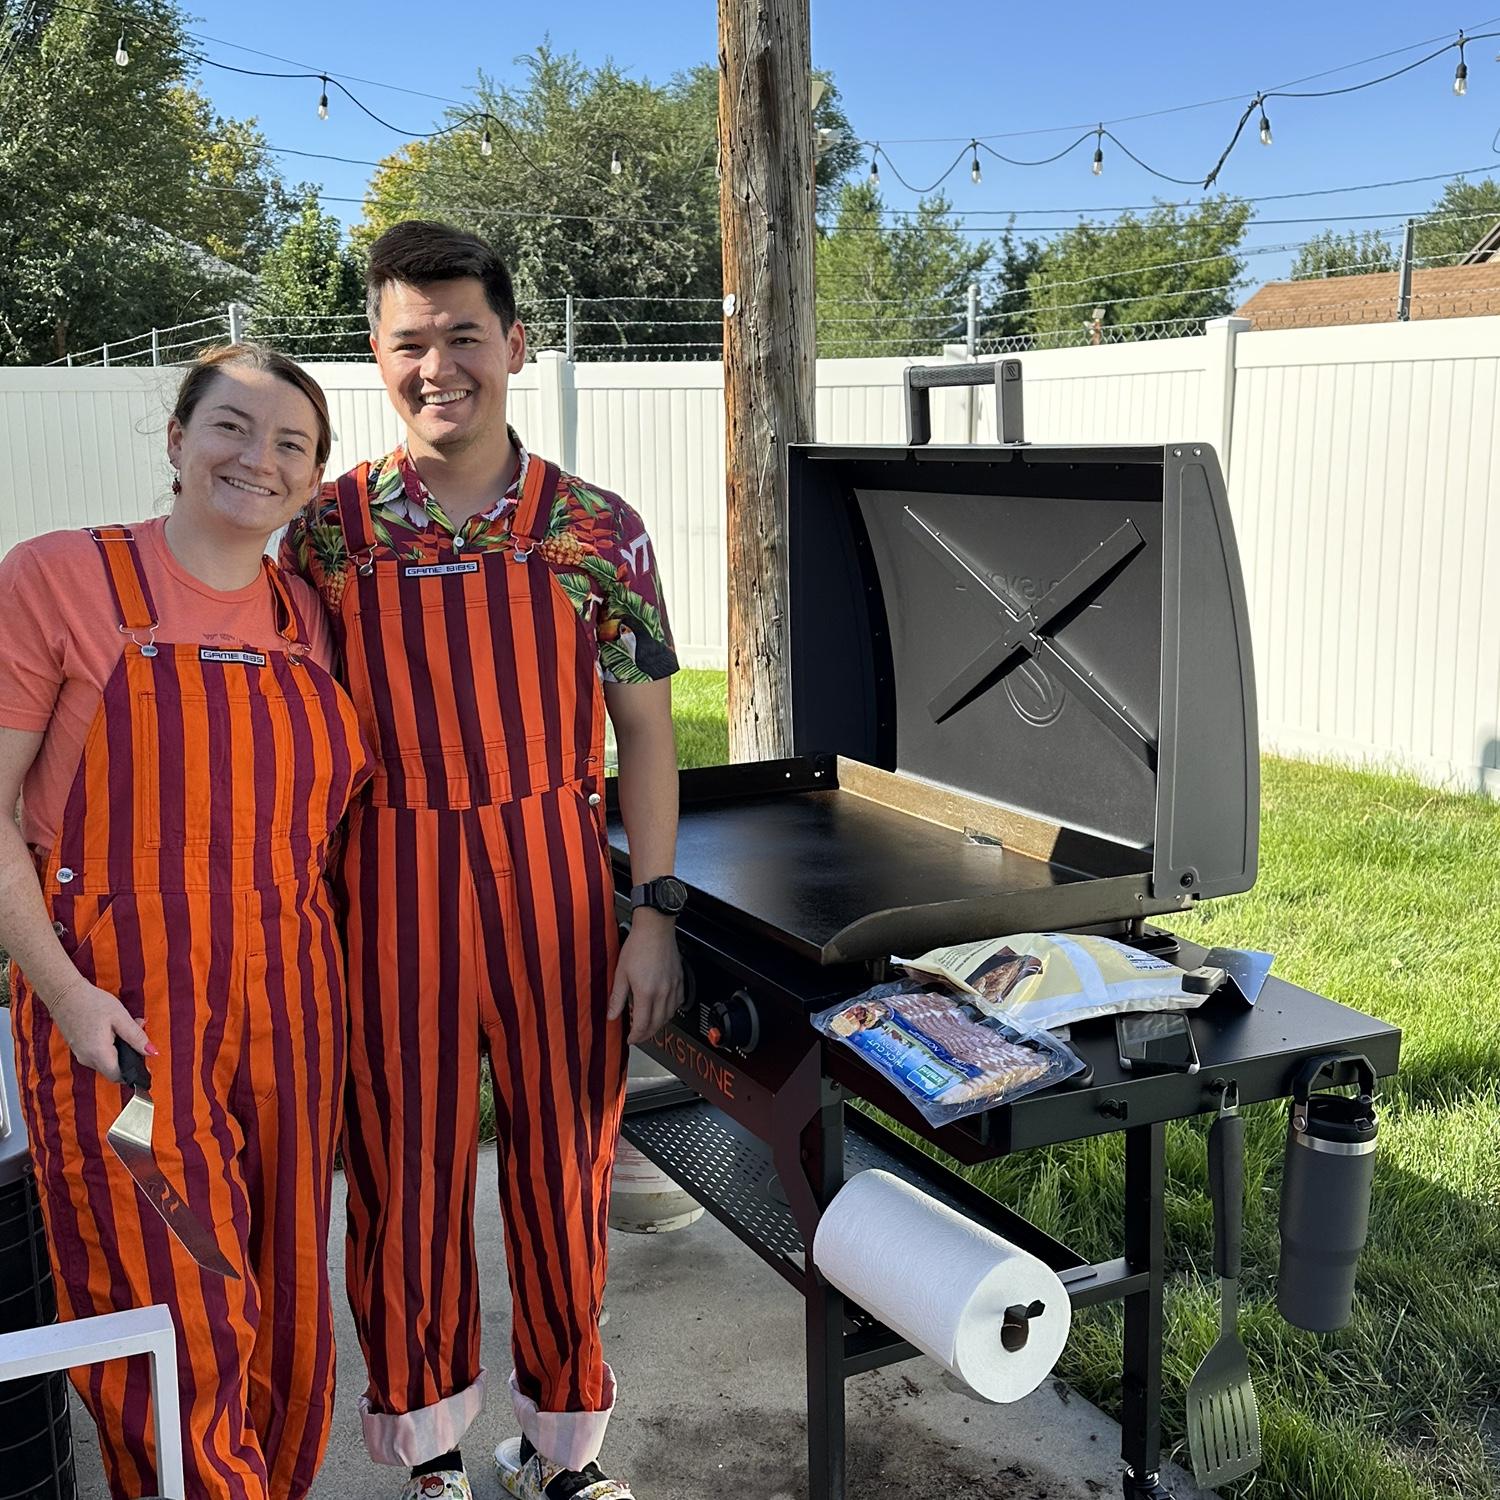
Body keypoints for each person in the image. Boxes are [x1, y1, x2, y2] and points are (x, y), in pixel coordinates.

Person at [280, 219, 684, 1500]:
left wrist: (655, 913)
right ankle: (429, 1458)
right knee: (402, 1178)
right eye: (411, 341)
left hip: (554, 879)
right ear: (376, 356)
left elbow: (646, 735)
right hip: (384, 883)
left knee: (565, 1171)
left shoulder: (598, 531)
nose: (438, 364)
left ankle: (563, 1453)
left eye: (463, 335)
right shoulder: (326, 533)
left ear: (513, 343)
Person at [0, 345, 372, 1500]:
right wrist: (66, 996)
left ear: (314, 480)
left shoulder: (310, 618)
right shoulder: (61, 578)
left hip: (291, 1010)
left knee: (289, 1297)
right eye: (230, 427)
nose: (258, 458)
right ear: (175, 440)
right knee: (173, 1301)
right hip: (124, 1023)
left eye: (291, 444)